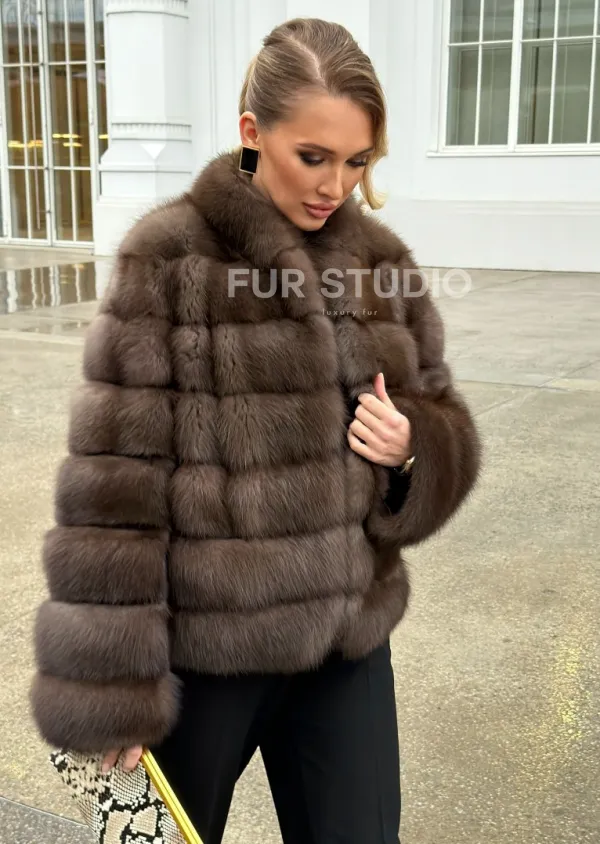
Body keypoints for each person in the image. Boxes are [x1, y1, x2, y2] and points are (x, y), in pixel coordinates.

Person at [30, 17, 481, 844]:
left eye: (357, 161)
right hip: (208, 655)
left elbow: (444, 416)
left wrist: (414, 447)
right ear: (252, 131)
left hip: (346, 642)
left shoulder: (381, 264)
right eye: (314, 156)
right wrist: (112, 685)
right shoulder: (168, 260)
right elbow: (113, 489)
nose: (335, 184)